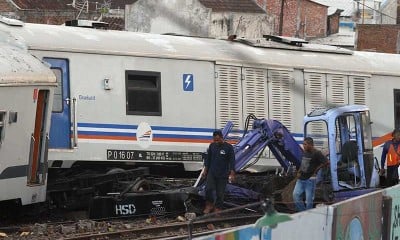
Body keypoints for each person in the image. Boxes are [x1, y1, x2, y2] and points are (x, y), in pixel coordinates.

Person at [202, 130, 235, 214]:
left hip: (223, 174)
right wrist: (205, 171)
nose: (216, 142)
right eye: (214, 140)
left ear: (221, 138)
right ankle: (209, 205)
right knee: (208, 189)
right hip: (212, 172)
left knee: (220, 193)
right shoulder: (212, 146)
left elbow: (232, 161)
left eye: (217, 140)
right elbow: (208, 159)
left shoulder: (229, 147)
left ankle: (218, 208)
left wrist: (232, 173)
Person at [293, 137, 329, 212]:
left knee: (309, 200)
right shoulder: (305, 152)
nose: (303, 146)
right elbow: (303, 163)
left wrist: (317, 169)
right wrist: (299, 172)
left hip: (310, 180)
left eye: (305, 144)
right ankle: (303, 212)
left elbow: (326, 162)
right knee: (295, 196)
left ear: (310, 145)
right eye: (303, 144)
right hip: (301, 179)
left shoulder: (317, 153)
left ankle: (308, 215)